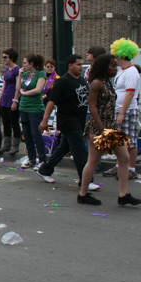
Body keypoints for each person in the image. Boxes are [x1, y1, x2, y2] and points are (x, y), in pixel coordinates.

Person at [78, 54, 141, 206]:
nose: (116, 68)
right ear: (104, 67)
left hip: (110, 126)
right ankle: (83, 194)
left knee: (124, 157)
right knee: (93, 161)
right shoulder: (96, 83)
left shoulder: (108, 82)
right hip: (98, 126)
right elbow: (92, 107)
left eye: (116, 65)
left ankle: (123, 194)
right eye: (113, 66)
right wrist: (101, 128)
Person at [36, 54, 100, 191]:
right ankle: (86, 180)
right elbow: (52, 101)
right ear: (70, 65)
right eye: (78, 64)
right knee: (80, 151)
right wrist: (45, 120)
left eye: (82, 64)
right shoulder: (63, 82)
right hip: (69, 122)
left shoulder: (82, 81)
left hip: (80, 120)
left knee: (64, 148)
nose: (81, 67)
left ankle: (45, 169)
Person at [103, 39, 141, 180]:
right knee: (120, 141)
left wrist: (122, 113)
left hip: (128, 110)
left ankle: (131, 168)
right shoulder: (122, 72)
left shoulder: (131, 72)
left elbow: (130, 94)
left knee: (130, 141)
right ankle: (121, 166)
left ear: (120, 54)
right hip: (119, 109)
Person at [16, 53, 48, 168]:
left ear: (32, 63)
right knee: (27, 134)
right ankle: (31, 158)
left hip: (35, 108)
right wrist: (19, 75)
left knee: (36, 134)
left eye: (25, 63)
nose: (23, 65)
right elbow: (18, 87)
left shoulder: (41, 74)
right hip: (24, 107)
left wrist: (24, 93)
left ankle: (43, 159)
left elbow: (38, 89)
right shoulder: (25, 74)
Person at [0, 48, 22, 154]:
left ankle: (15, 145)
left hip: (12, 98)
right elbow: (4, 85)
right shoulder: (7, 70)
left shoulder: (17, 70)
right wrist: (0, 99)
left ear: (11, 57)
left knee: (14, 122)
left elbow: (18, 86)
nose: (3, 59)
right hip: (5, 99)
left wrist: (15, 100)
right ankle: (6, 144)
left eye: (5, 57)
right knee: (5, 122)